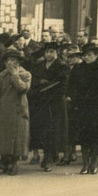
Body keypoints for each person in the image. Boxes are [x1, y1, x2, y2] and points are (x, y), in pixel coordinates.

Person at [67, 42, 98, 175]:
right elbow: (71, 85)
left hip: (97, 107)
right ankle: (85, 164)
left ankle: (94, 163)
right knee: (83, 135)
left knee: (96, 135)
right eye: (85, 55)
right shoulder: (78, 69)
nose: (87, 58)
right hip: (81, 106)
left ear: (96, 55)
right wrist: (70, 96)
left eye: (89, 55)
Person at [27, 42, 69, 171]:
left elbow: (64, 85)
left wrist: (50, 90)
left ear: (57, 53)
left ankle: (49, 157)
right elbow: (33, 81)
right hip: (40, 102)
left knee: (53, 129)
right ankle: (47, 154)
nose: (49, 54)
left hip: (54, 102)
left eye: (51, 52)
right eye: (47, 52)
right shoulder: (39, 65)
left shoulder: (62, 66)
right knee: (41, 129)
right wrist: (39, 83)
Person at [0, 50, 32, 175]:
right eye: (8, 60)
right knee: (4, 136)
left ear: (19, 61)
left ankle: (14, 162)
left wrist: (15, 75)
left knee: (18, 136)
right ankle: (5, 161)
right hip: (4, 110)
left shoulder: (25, 74)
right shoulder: (1, 75)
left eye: (13, 60)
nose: (10, 63)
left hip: (19, 109)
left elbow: (23, 88)